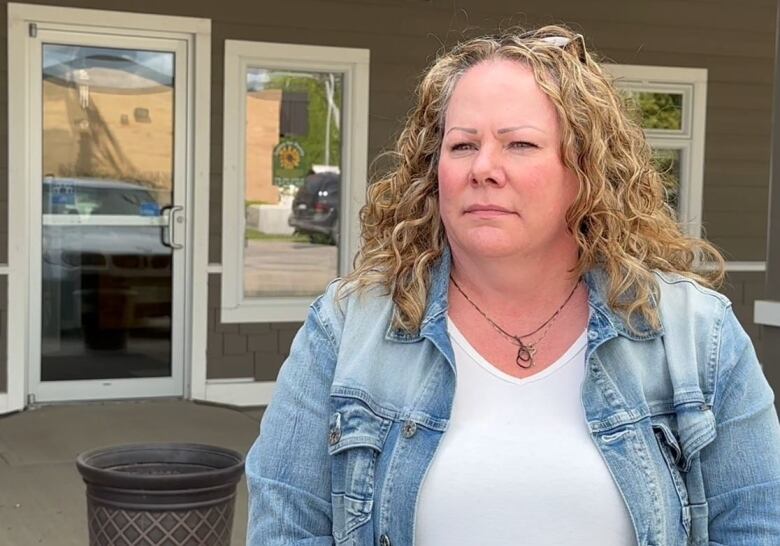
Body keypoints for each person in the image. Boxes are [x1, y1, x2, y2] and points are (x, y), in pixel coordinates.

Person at [246, 25, 780, 546]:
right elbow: (288, 528)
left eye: (519, 143)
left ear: (586, 169)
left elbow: (757, 527)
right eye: (461, 146)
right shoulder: (346, 329)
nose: (484, 168)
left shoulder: (697, 336)